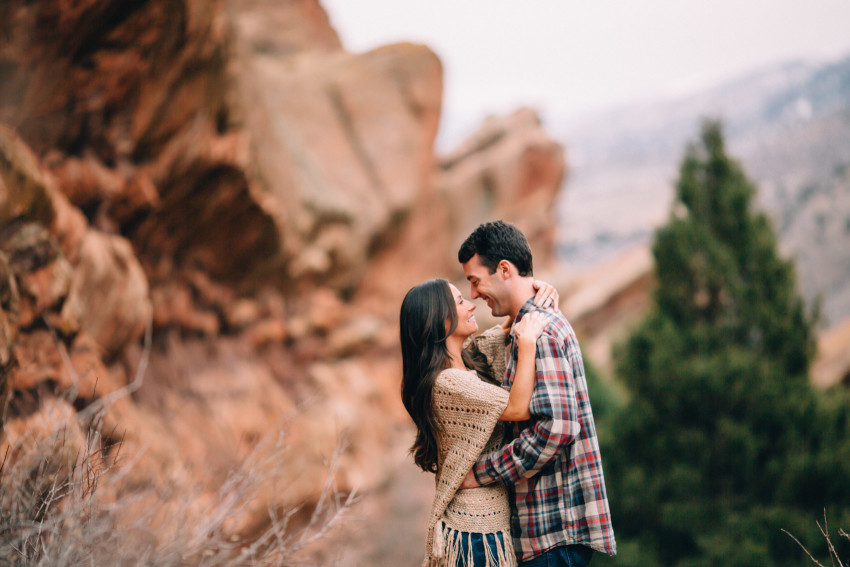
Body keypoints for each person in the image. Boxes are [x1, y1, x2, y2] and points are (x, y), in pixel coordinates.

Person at [457, 220, 616, 567]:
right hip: (546, 536)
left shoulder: (540, 333)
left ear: (503, 270)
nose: (473, 294)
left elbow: (555, 429)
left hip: (554, 536)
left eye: (475, 281)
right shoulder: (526, 329)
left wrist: (481, 473)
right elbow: (471, 353)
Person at [400, 278, 558, 566]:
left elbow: (508, 327)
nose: (471, 305)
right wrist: (529, 343)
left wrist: (540, 295)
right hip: (474, 533)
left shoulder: (468, 360)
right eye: (461, 302)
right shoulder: (449, 382)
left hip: (484, 527)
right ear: (441, 318)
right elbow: (517, 408)